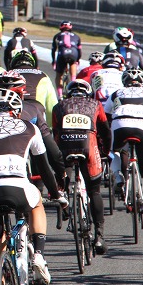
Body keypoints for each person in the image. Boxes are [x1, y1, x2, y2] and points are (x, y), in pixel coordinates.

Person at [0, 88, 66, 285]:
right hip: (17, 184)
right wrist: (56, 193)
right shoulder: (29, 127)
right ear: (17, 110)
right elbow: (43, 167)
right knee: (36, 204)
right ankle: (39, 256)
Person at [51, 79, 111, 254]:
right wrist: (106, 151)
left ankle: (64, 200)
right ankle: (99, 237)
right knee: (95, 192)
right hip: (88, 147)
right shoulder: (96, 104)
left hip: (64, 147)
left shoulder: (58, 106)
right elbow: (105, 131)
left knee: (62, 176)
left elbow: (55, 134)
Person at [104, 67, 143, 227]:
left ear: (124, 81)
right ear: (142, 81)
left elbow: (106, 115)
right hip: (142, 127)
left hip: (120, 124)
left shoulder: (117, 93)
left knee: (113, 151)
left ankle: (118, 176)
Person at [8, 50, 58, 127]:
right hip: (36, 111)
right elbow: (51, 106)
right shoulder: (43, 75)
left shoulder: (8, 74)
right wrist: (51, 128)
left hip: (13, 112)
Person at [51, 21, 82, 98]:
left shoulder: (57, 36)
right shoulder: (76, 36)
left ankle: (60, 95)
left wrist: (53, 61)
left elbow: (53, 50)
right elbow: (79, 51)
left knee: (59, 75)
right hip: (74, 54)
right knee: (73, 69)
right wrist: (77, 60)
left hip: (62, 54)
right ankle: (73, 84)